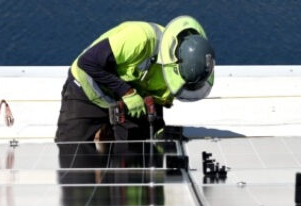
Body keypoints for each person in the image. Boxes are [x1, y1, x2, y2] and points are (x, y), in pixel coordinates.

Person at [55, 16, 215, 165]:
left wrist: (157, 128)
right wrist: (127, 92)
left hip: (131, 96)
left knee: (134, 155)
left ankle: (115, 182)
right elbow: (87, 63)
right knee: (72, 154)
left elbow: (156, 99)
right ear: (174, 61)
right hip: (88, 87)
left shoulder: (179, 75)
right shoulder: (140, 38)